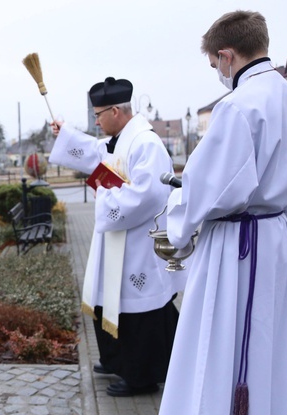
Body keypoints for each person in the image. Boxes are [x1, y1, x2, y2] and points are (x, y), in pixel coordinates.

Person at [150, 11, 287, 415]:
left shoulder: (238, 105)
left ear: (226, 55)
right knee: (269, 355)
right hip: (275, 240)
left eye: (215, 63)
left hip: (233, 246)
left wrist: (177, 219)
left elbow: (204, 188)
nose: (217, 72)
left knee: (218, 351)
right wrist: (276, 209)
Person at [49, 77, 181, 397]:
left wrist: (104, 198)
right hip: (116, 240)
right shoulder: (121, 138)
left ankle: (142, 376)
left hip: (136, 243)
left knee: (138, 308)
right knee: (106, 299)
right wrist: (65, 133)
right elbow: (95, 153)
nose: (95, 121)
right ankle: (116, 359)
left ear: (116, 111)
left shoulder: (146, 143)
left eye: (98, 115)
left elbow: (148, 196)